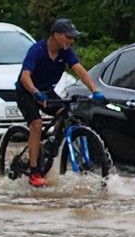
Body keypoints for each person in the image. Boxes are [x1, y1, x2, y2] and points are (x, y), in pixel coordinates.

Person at [17, 18, 103, 187]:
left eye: (73, 38)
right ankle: (34, 171)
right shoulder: (37, 50)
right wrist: (35, 92)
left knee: (64, 112)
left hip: (47, 91)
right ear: (56, 35)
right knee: (36, 124)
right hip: (27, 91)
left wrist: (95, 90)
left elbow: (79, 70)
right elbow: (25, 76)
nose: (71, 41)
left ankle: (51, 146)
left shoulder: (66, 51)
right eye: (68, 37)